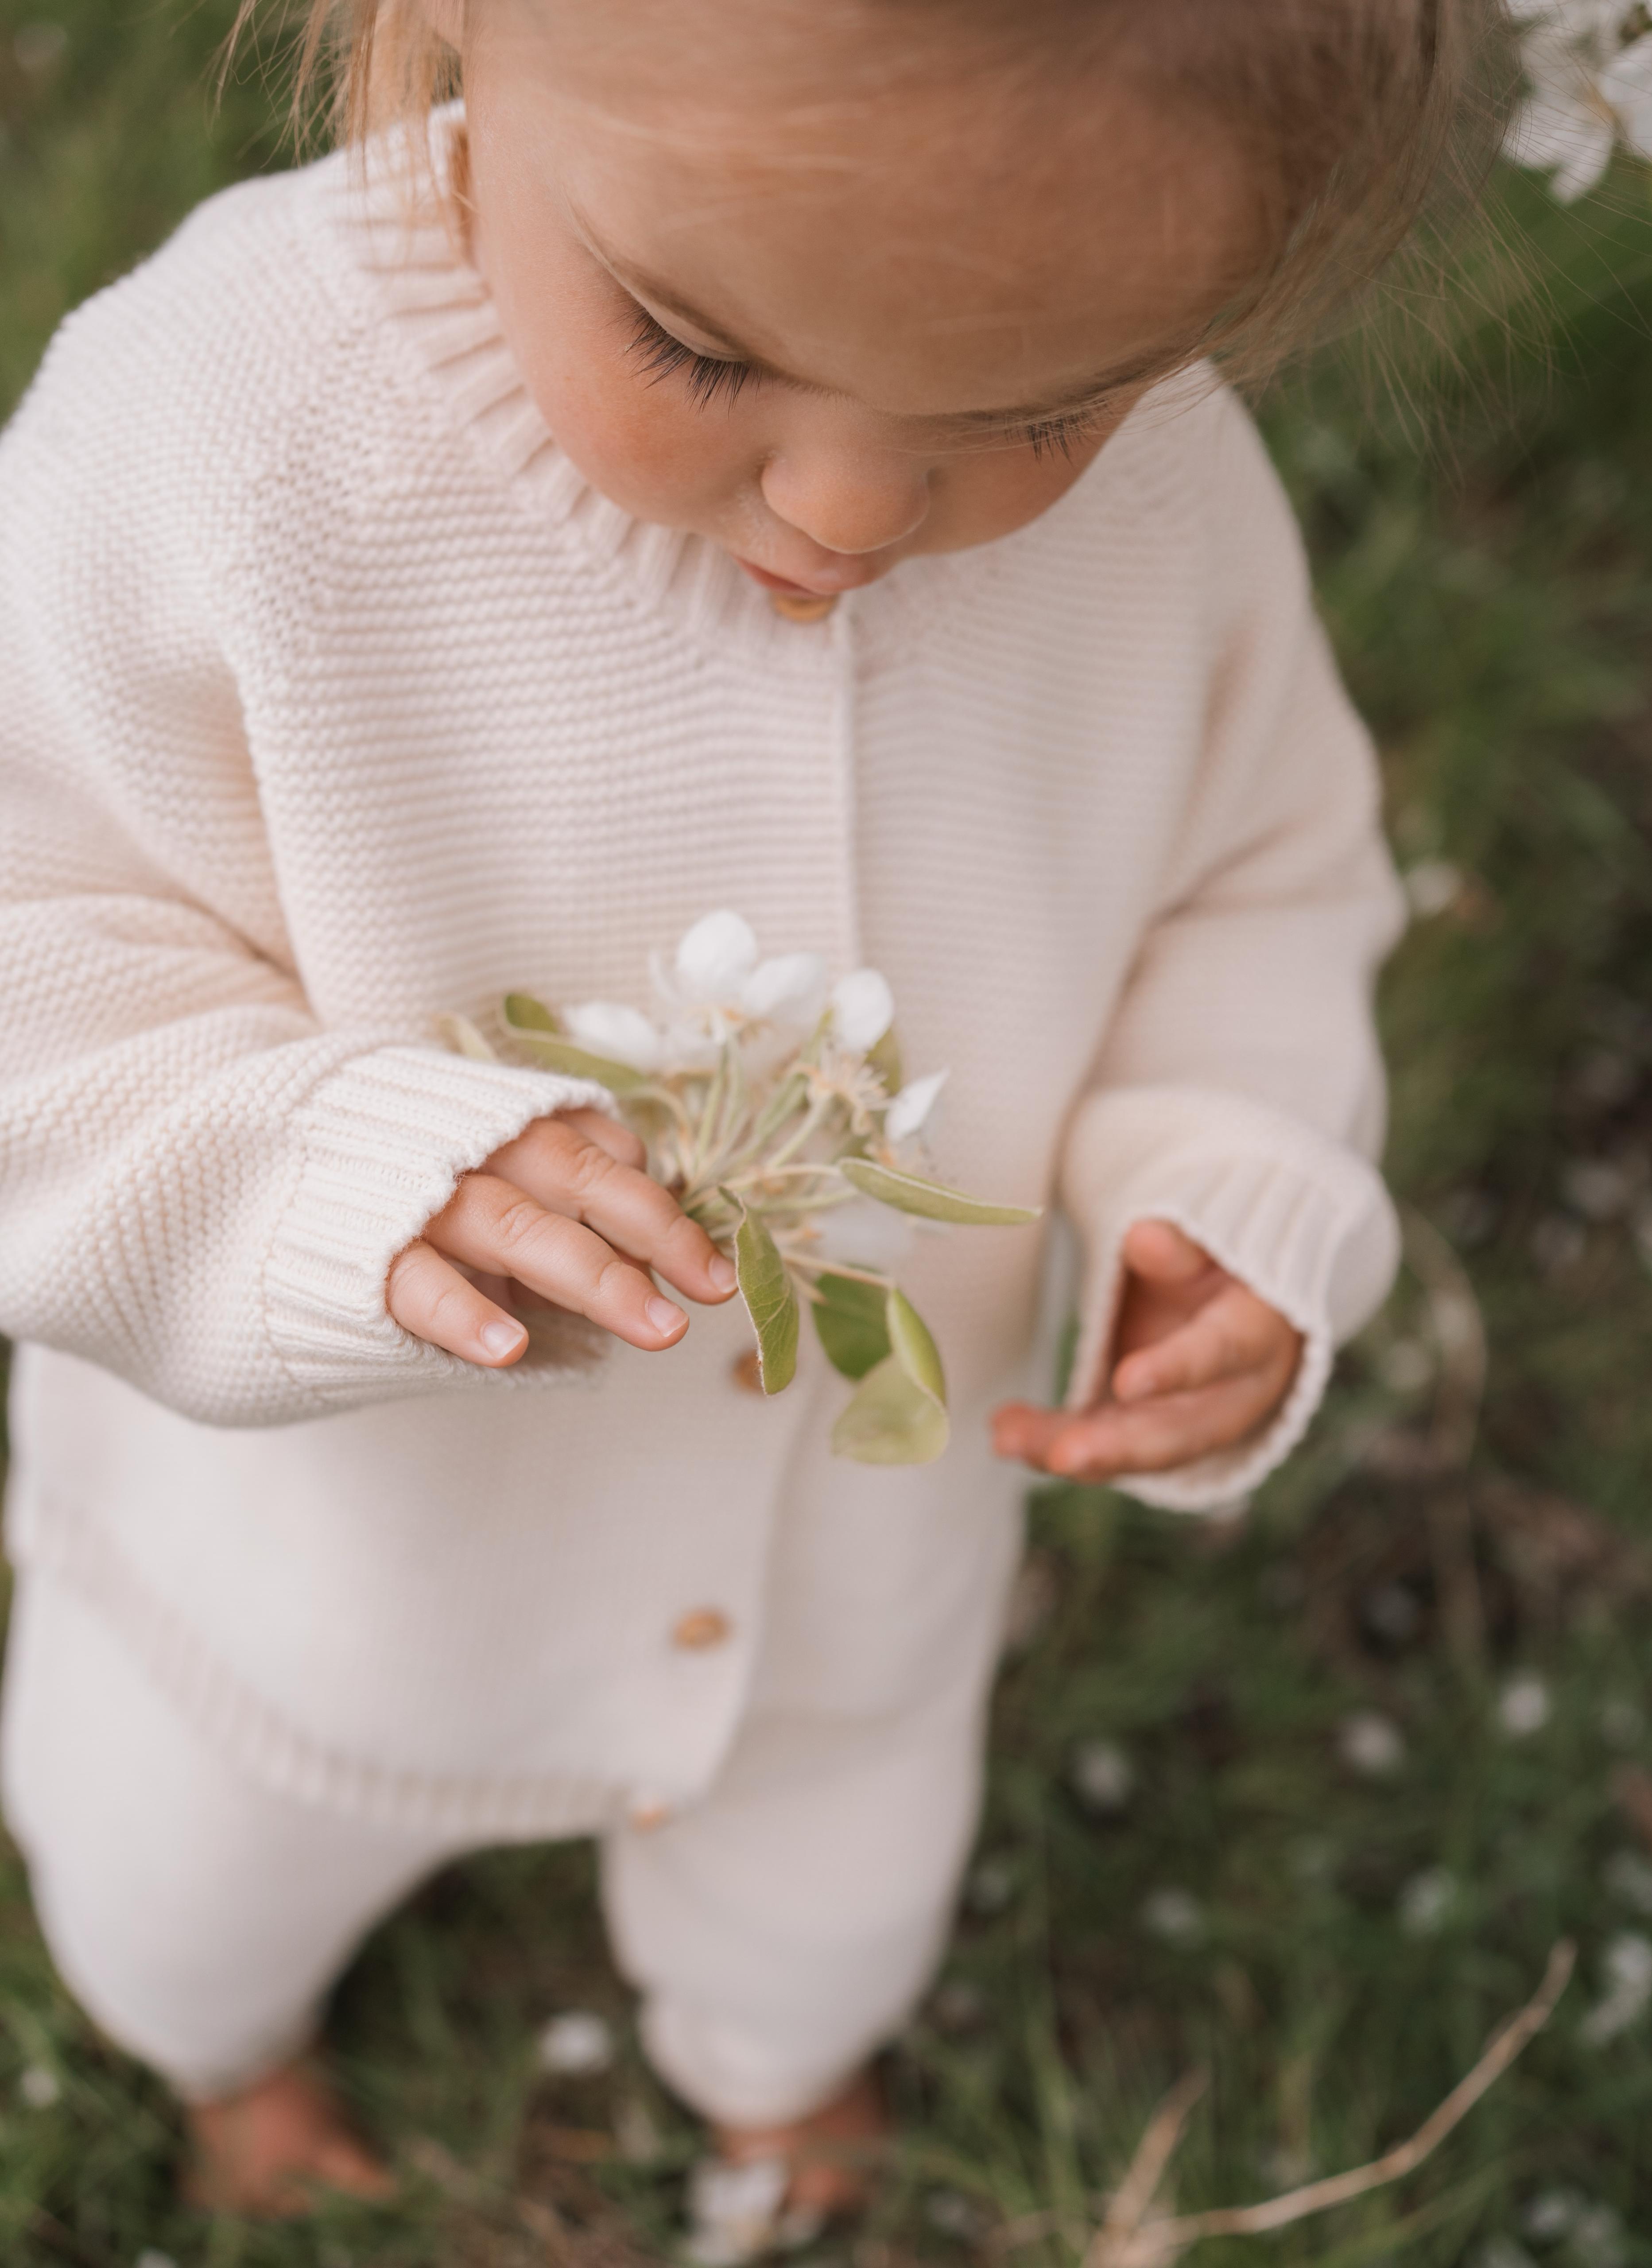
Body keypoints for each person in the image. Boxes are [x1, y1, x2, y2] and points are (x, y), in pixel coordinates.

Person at [0, 0, 1498, 2223]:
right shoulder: (216, 445)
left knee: (834, 1879)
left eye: (1035, 408)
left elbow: (1255, 872)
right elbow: (44, 966)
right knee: (187, 1871)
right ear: (445, 32)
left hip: (849, 1569)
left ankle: (778, 2077)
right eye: (700, 350)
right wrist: (333, 1182)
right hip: (327, 1555)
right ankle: (235, 2071)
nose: (854, 503)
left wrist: (1228, 1165)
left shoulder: (1168, 500)